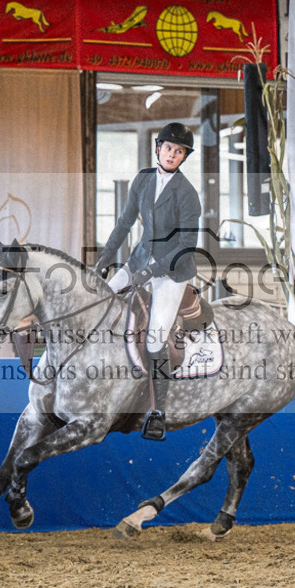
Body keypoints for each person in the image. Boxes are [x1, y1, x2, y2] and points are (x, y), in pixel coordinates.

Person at [94, 122, 202, 441]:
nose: (172, 154)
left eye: (178, 151)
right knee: (101, 301)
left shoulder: (187, 194)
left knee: (155, 337)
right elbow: (125, 223)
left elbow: (185, 243)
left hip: (173, 271)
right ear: (158, 148)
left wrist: (153, 271)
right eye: (168, 148)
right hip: (139, 259)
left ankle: (158, 413)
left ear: (183, 157)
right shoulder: (142, 179)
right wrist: (104, 258)